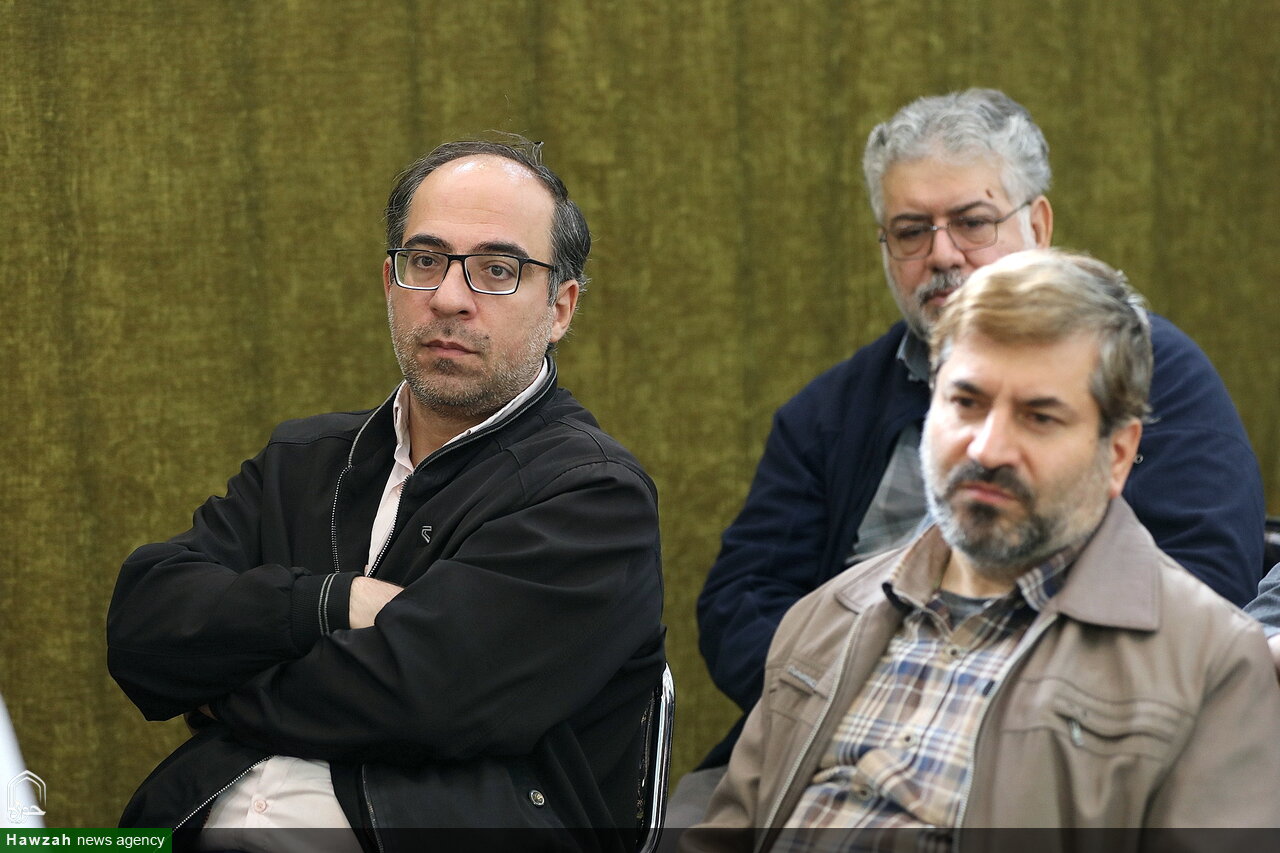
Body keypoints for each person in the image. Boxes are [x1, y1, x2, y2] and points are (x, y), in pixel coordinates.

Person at [678, 89, 1265, 823]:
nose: (943, 253)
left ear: (1038, 224)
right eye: (911, 230)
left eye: (973, 221)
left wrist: (995, 693)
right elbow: (741, 598)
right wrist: (862, 685)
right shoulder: (828, 412)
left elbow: (1208, 578)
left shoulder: (1147, 373)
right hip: (825, 732)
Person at [107, 137, 665, 851]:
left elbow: (424, 698)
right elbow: (144, 624)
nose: (450, 298)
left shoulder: (593, 495)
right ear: (389, 281)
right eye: (425, 261)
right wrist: (331, 601)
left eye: (497, 270)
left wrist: (216, 685)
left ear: (560, 307)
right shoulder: (303, 460)